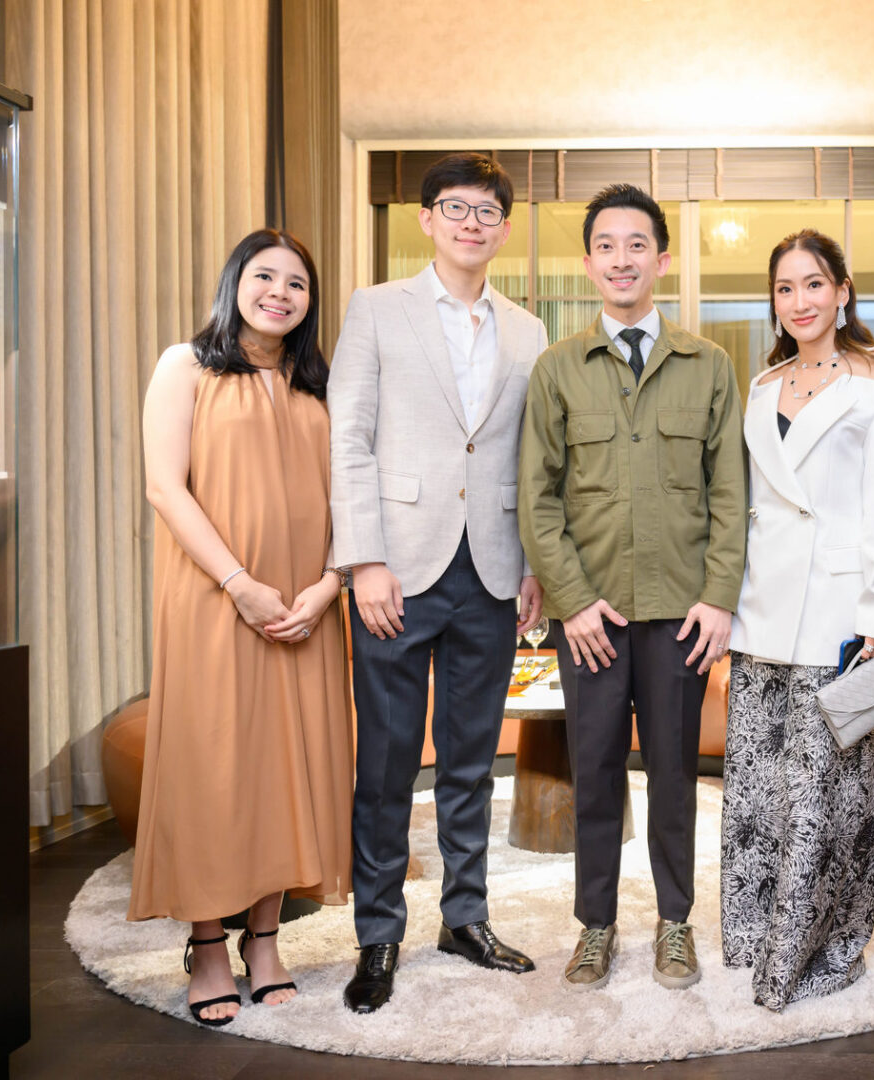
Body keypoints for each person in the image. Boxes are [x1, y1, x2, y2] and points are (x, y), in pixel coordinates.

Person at [328, 152, 549, 1014]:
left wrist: (529, 564)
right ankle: (379, 934)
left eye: (487, 211)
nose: (471, 223)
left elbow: (530, 458)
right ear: (427, 219)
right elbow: (350, 438)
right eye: (455, 208)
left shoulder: (528, 330)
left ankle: (466, 919)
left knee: (471, 762)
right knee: (387, 764)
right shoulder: (377, 308)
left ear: (503, 228)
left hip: (490, 569)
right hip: (397, 566)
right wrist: (364, 560)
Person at [518, 183, 744, 992]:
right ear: (589, 263)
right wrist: (573, 602)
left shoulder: (709, 366)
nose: (622, 260)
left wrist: (719, 596)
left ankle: (675, 923)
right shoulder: (557, 369)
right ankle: (596, 925)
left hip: (682, 615)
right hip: (593, 618)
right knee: (595, 773)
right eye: (607, 246)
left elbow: (731, 491)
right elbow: (538, 498)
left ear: (662, 259)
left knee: (677, 778)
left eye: (637, 244)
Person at [130, 229, 351, 1026]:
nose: (279, 294)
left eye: (297, 284)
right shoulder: (184, 366)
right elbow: (165, 488)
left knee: (288, 770)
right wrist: (240, 585)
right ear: (235, 282)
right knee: (215, 767)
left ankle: (264, 939)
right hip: (217, 602)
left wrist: (329, 585)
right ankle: (207, 946)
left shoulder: (319, 384)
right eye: (265, 276)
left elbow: (350, 493)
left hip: (306, 608)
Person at [720, 230, 874, 1011]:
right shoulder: (762, 382)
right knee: (759, 791)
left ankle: (814, 950)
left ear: (842, 290)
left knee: (822, 796)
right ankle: (754, 936)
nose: (799, 301)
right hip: (760, 610)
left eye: (813, 284)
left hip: (838, 610)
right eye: (785, 288)